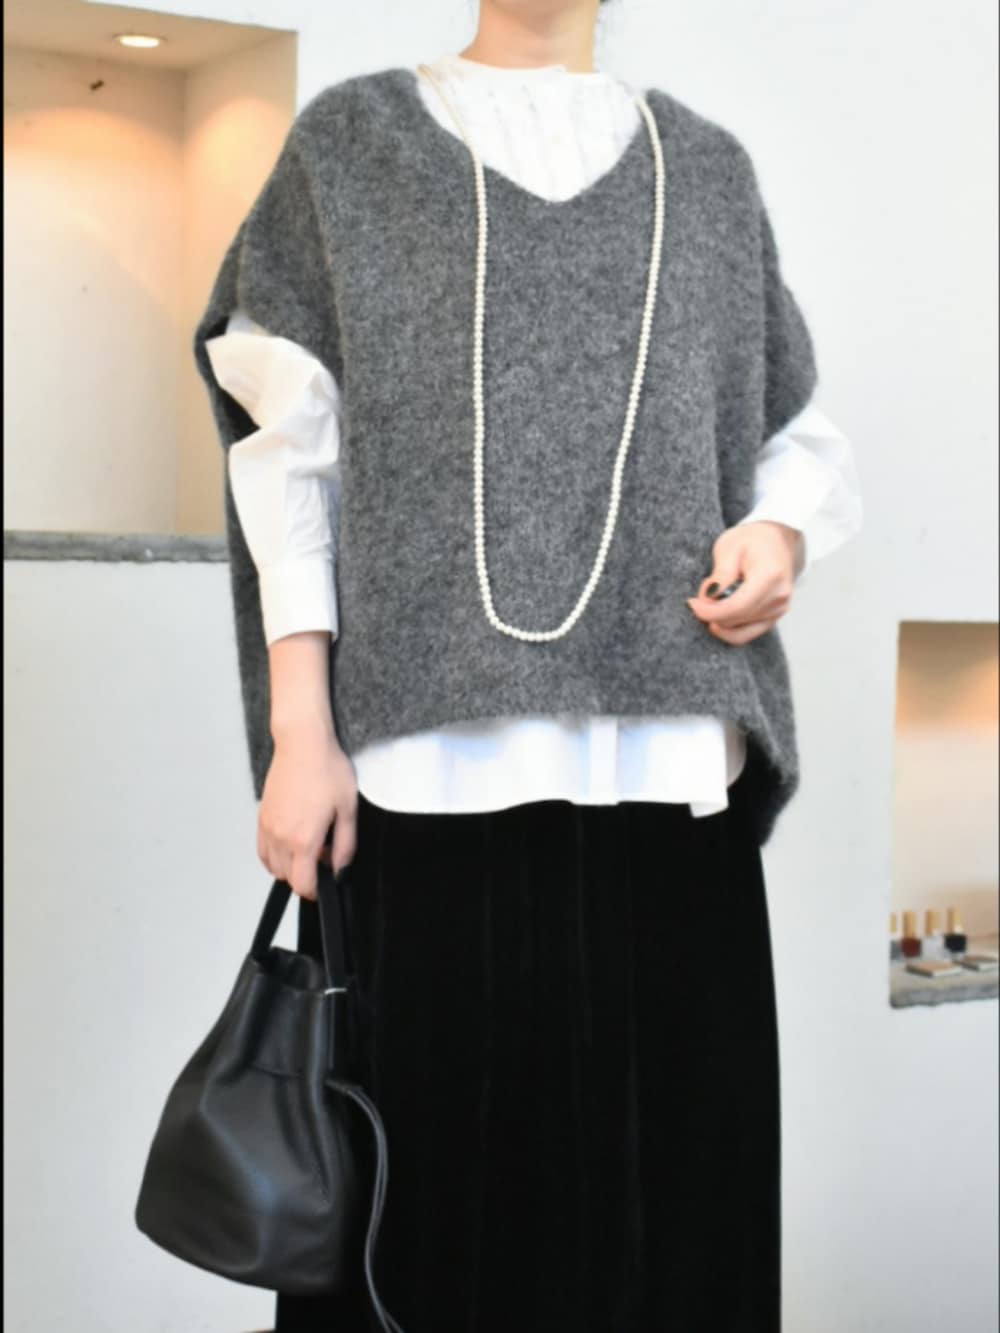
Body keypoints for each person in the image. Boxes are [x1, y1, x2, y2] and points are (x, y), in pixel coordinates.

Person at [194, 4, 862, 1330]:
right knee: (427, 1240)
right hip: (426, 783)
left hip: (668, 781)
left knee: (679, 1236)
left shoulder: (704, 170)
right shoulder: (351, 146)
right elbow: (286, 458)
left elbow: (791, 431)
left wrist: (781, 533)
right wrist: (299, 731)